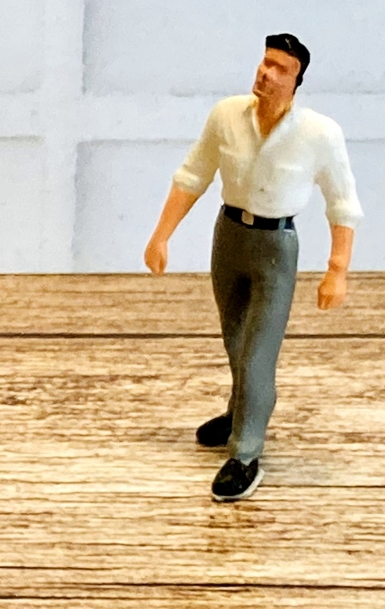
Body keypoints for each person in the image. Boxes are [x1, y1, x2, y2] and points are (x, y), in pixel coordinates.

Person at [144, 33, 362, 502]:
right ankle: (239, 412)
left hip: (275, 248)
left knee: (258, 355)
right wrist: (161, 235)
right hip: (228, 238)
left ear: (296, 79)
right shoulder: (226, 115)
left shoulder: (319, 134)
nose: (266, 73)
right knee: (235, 340)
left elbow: (343, 203)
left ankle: (245, 453)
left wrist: (337, 269)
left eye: (280, 68)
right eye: (265, 62)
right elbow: (193, 174)